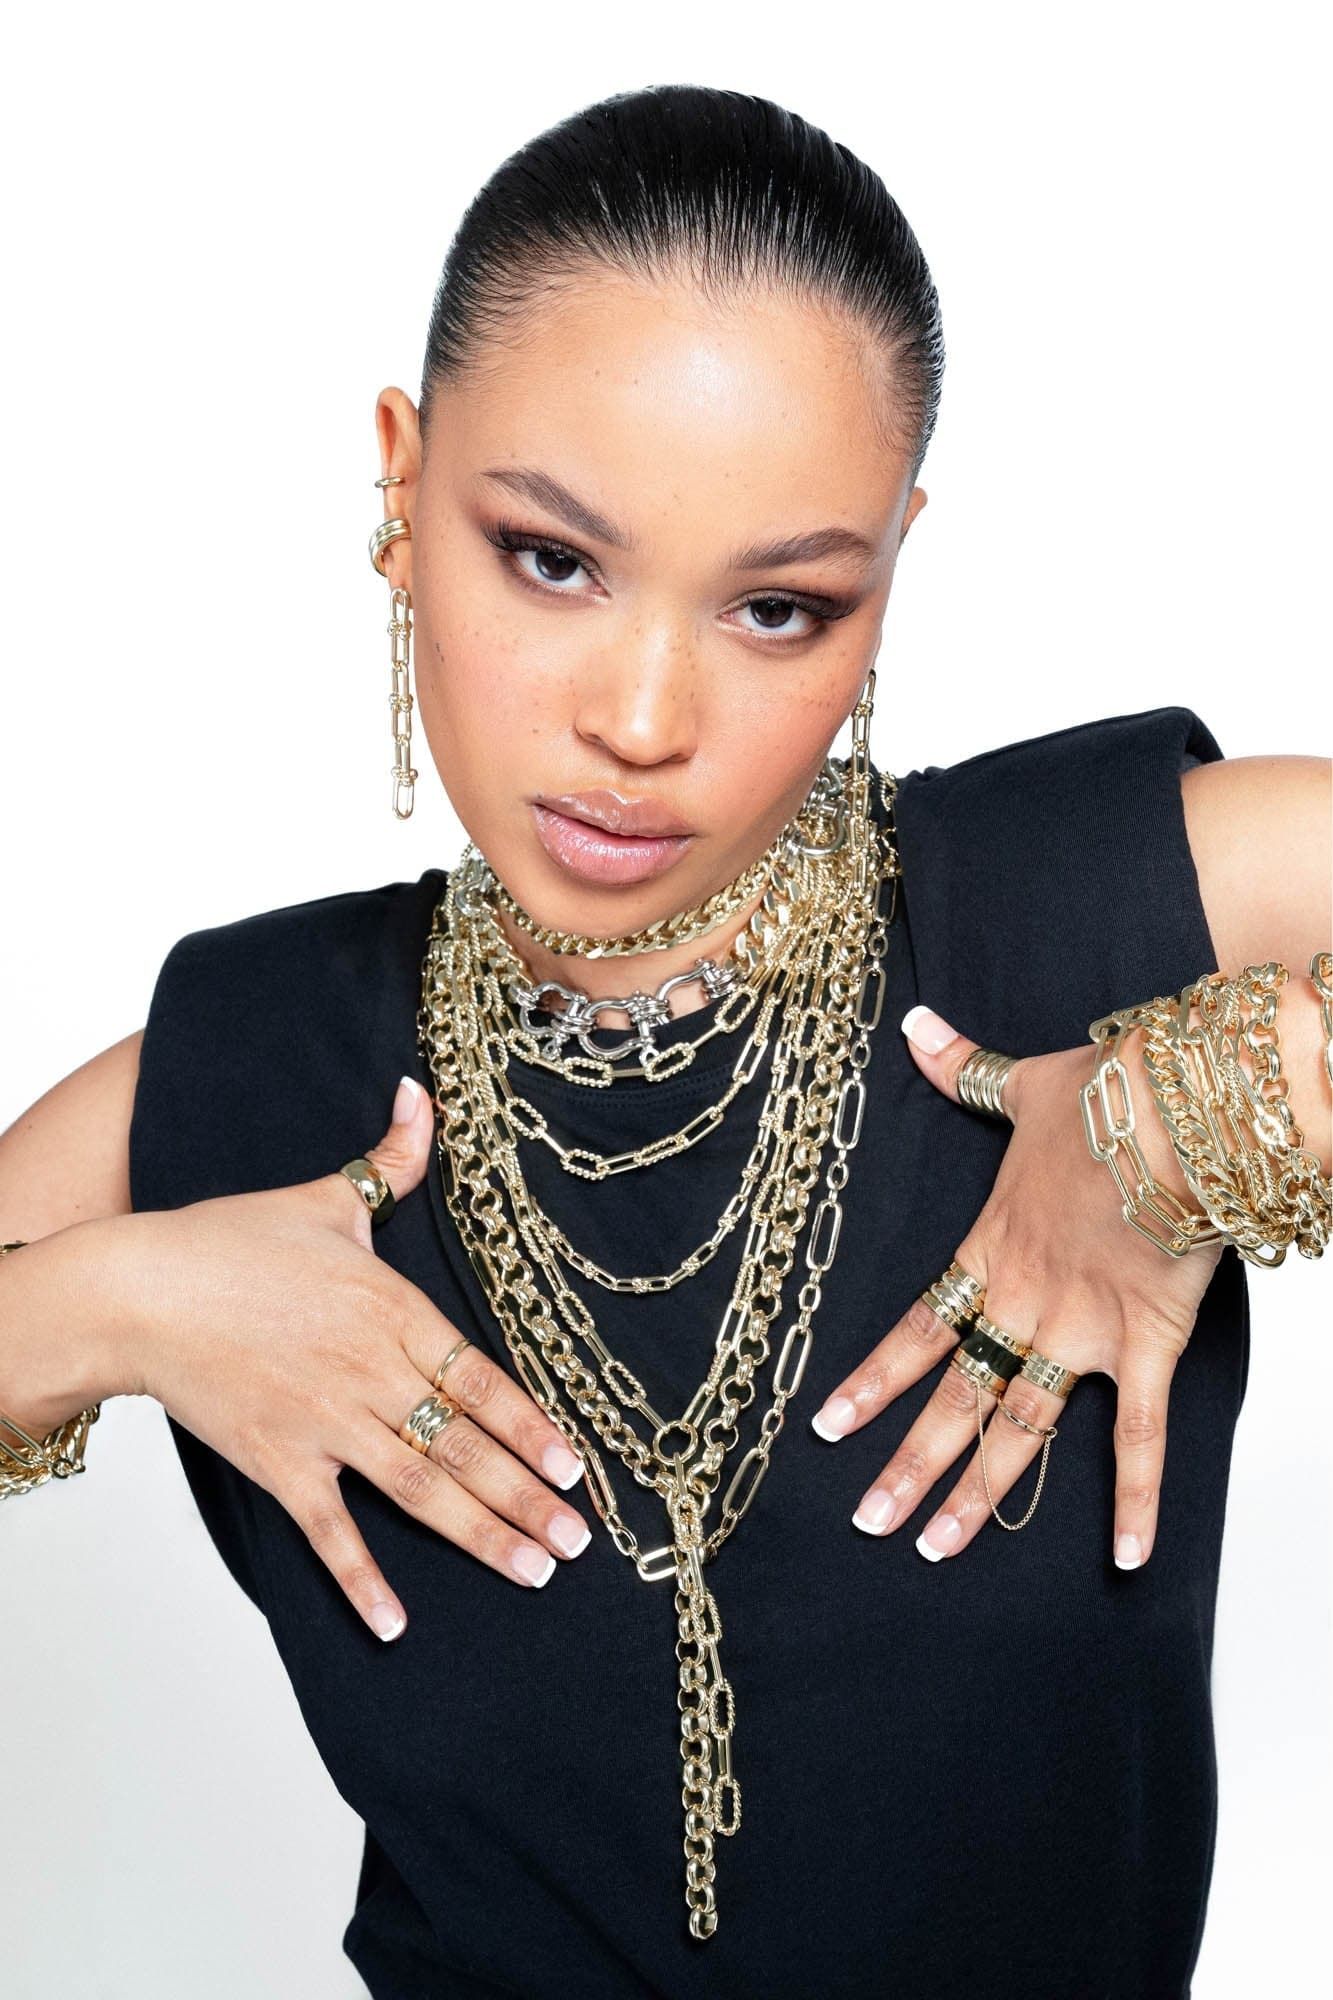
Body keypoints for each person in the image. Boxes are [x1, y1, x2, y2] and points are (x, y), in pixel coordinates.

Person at [2, 82, 1328, 2000]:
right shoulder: (254, 1066)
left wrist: (1191, 1118)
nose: (641, 716)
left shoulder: (1082, 910)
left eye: (780, 606)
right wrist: (110, 1310)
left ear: (890, 569)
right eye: (551, 558)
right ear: (400, 480)